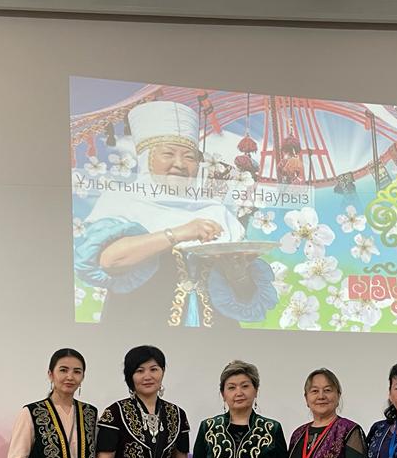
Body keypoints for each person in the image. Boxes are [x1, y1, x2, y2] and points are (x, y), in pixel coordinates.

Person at [75, 100, 277, 328]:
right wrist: (180, 233)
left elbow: (246, 295)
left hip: (216, 335)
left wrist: (237, 275)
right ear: (146, 158)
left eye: (189, 157)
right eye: (168, 154)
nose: (180, 164)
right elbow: (109, 261)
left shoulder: (216, 210)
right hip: (140, 329)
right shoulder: (122, 201)